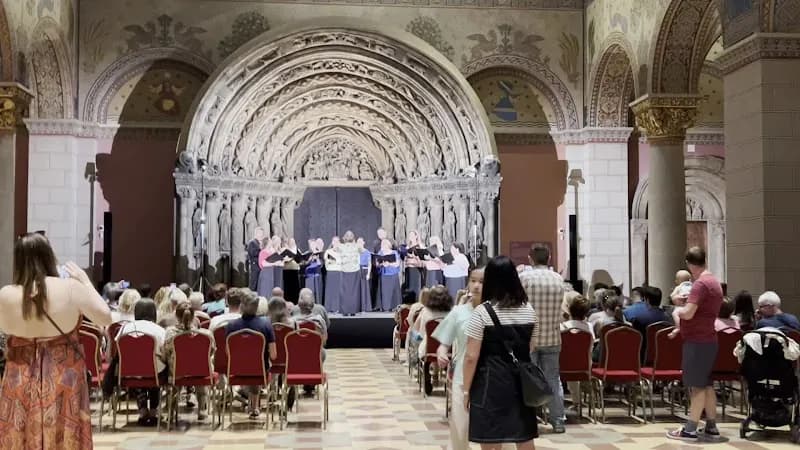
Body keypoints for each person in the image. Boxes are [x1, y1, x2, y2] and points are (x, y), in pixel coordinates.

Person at [0, 233, 111, 448]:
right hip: (64, 377)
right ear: (49, 256)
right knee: (65, 436)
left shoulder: (6, 295)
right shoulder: (70, 288)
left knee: (18, 436)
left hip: (19, 377)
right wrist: (86, 282)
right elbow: (105, 317)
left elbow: (5, 329)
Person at [463, 256, 538, 449]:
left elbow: (471, 356)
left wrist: (465, 389)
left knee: (490, 437)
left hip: (490, 381)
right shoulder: (529, 309)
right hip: (521, 381)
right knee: (524, 436)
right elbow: (531, 346)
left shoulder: (482, 312)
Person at [667, 247, 724, 441]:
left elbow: (689, 313)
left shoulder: (700, 284)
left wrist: (677, 307)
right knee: (707, 385)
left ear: (689, 264)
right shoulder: (714, 281)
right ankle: (711, 427)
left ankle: (690, 429)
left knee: (697, 387)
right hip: (708, 339)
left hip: (697, 341)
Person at [434, 267, 484, 450]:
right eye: (473, 280)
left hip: (491, 375)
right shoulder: (458, 311)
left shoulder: (496, 311)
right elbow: (444, 342)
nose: (476, 285)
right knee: (460, 425)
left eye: (481, 281)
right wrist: (441, 352)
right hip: (463, 375)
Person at [518, 243, 566, 433]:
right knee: (553, 379)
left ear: (530, 258)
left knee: (528, 380)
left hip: (528, 338)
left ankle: (529, 421)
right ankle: (558, 420)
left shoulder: (524, 278)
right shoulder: (558, 279)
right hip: (553, 336)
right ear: (549, 258)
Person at [225, 291, 277, 418]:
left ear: (242, 306)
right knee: (256, 366)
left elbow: (228, 353)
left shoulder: (231, 326)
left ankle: (251, 404)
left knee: (248, 365)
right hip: (260, 372)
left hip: (236, 370)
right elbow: (274, 355)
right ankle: (254, 406)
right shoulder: (266, 325)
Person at [118, 298, 168, 426]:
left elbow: (116, 352)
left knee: (139, 370)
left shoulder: (124, 329)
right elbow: (165, 353)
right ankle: (154, 410)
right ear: (154, 313)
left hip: (128, 372)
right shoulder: (159, 330)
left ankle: (142, 410)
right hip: (154, 372)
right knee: (158, 367)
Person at [163, 300, 215, 421]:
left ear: (176, 316)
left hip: (177, 371)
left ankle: (171, 410)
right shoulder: (206, 335)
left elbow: (166, 352)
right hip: (201, 371)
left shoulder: (170, 333)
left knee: (171, 368)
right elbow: (211, 352)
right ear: (194, 316)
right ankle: (202, 409)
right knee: (203, 367)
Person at [413, 285, 452, 394]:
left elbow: (419, 332)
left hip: (428, 348)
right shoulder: (452, 313)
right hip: (448, 349)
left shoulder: (425, 312)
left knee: (417, 341)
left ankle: (426, 379)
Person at [559, 294, 593, 409]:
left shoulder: (562, 327)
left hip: (564, 365)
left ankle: (574, 401)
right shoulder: (589, 327)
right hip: (585, 365)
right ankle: (582, 400)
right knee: (576, 361)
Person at [338, 231, 362, 316]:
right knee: (346, 292)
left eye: (350, 235)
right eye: (347, 235)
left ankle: (352, 310)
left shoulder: (357, 246)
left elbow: (362, 251)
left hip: (354, 270)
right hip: (345, 270)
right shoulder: (341, 246)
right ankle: (346, 310)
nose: (349, 237)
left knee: (352, 292)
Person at [378, 238, 402, 311]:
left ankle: (395, 306)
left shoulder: (394, 252)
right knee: (385, 292)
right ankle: (386, 307)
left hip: (393, 274)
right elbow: (377, 263)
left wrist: (389, 264)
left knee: (394, 291)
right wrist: (382, 264)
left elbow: (397, 263)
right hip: (385, 274)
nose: (383, 245)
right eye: (382, 244)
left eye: (385, 244)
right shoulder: (380, 253)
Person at [324, 237, 343, 313]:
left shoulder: (341, 252)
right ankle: (328, 307)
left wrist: (335, 261)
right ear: (332, 242)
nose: (336, 243)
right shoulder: (328, 251)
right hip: (330, 272)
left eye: (337, 241)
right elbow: (326, 260)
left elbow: (341, 261)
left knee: (337, 290)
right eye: (334, 241)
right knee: (330, 290)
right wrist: (331, 261)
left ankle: (337, 307)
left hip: (338, 272)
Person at [404, 230, 425, 297]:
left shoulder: (420, 246)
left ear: (416, 236)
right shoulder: (407, 246)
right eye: (410, 235)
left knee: (416, 287)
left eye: (412, 235)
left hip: (416, 269)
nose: (410, 237)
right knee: (409, 287)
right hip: (408, 268)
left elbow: (423, 257)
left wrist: (415, 257)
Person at [282, 237, 301, 303]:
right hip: (287, 270)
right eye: (291, 242)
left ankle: (295, 301)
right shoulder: (285, 250)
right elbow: (282, 258)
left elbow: (299, 260)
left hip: (295, 270)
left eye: (293, 242)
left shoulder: (297, 250)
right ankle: (287, 300)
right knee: (288, 287)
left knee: (295, 287)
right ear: (289, 243)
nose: (292, 243)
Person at [357, 237, 373, 313]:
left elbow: (369, 263)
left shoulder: (367, 252)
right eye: (358, 242)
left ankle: (365, 307)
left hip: (364, 270)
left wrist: (368, 274)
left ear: (364, 242)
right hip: (357, 270)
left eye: (360, 242)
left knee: (364, 289)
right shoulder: (356, 252)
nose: (359, 243)